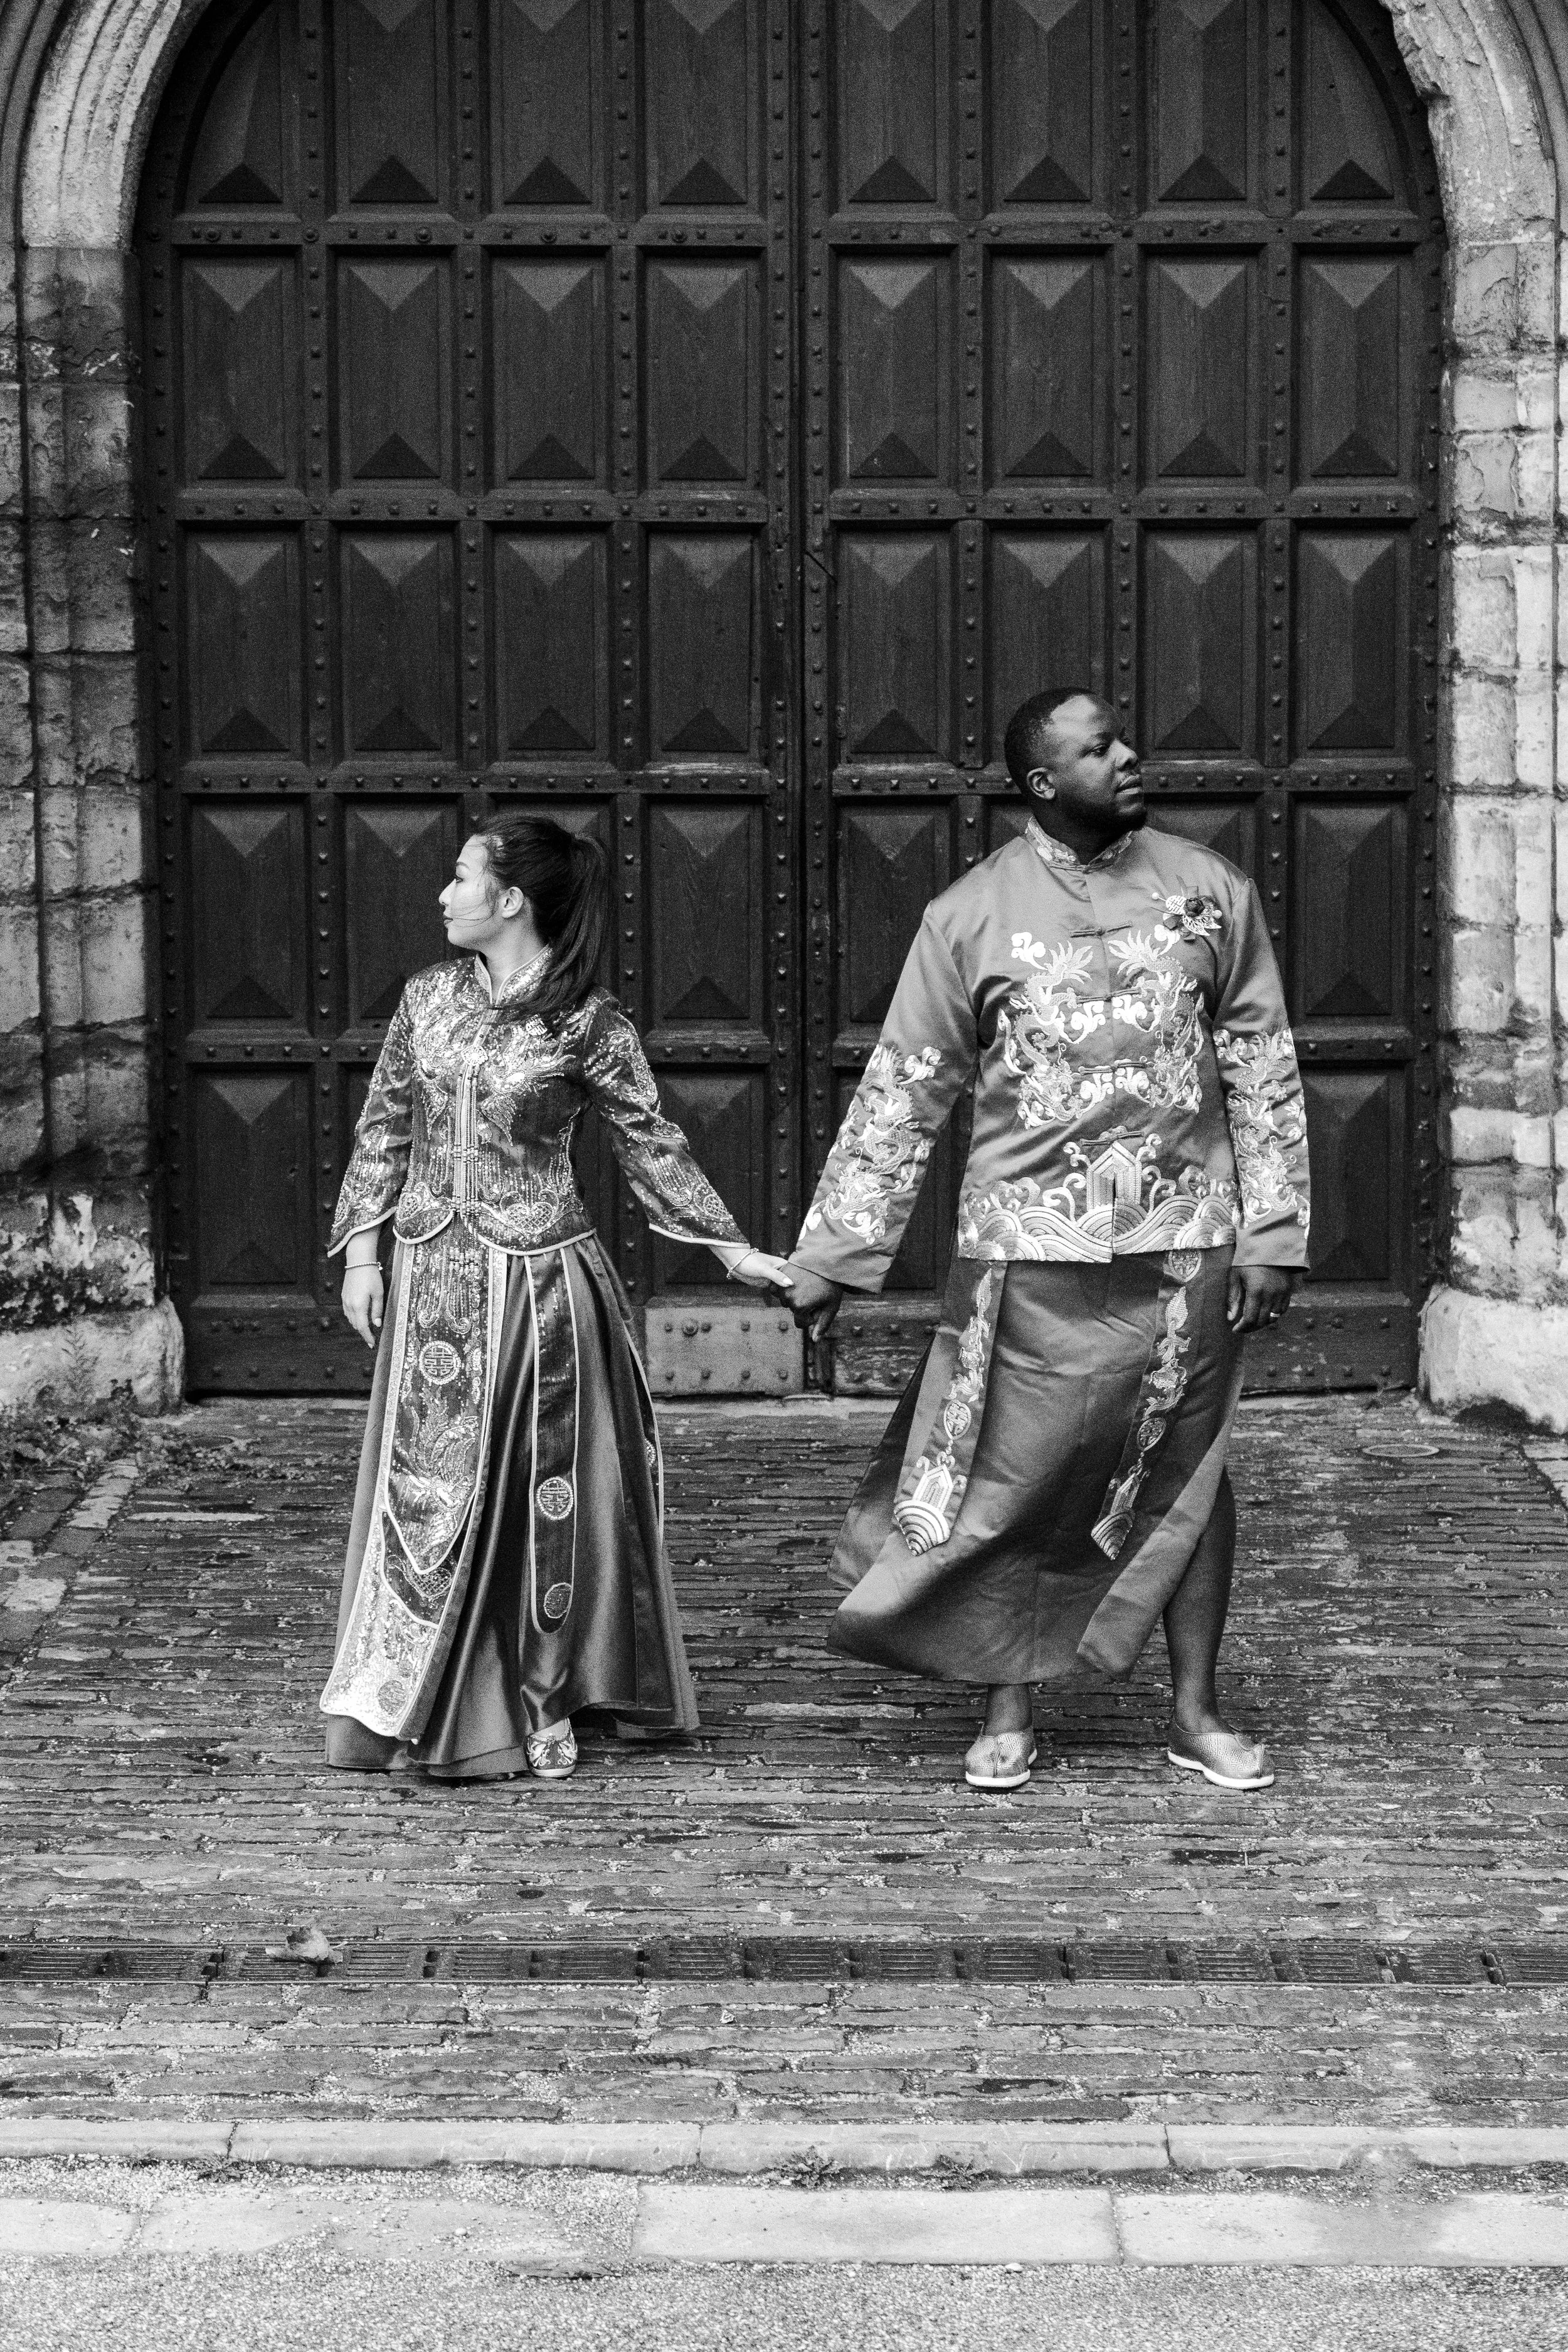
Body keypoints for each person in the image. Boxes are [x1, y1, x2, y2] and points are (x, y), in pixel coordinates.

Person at [783, 691, 1309, 1796]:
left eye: (1123, 735)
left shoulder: (1211, 893)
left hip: (1184, 1249)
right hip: (1024, 1256)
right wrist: (833, 1256)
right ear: (1038, 783)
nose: (1128, 755)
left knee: (1195, 1474)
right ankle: (1007, 1700)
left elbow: (1260, 1060)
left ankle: (1194, 1709)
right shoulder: (970, 914)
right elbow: (906, 1087)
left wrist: (1272, 1230)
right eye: (1097, 748)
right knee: (1010, 1480)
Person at [320, 814, 793, 1782]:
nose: (443, 896)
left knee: (538, 1502)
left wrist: (735, 1254)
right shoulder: (426, 1001)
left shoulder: (587, 1022)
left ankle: (540, 1694)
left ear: (511, 899)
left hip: (538, 1284)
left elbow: (649, 1142)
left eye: (460, 877)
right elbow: (383, 1129)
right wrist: (362, 1254)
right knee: (425, 1499)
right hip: (430, 1283)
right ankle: (403, 1696)